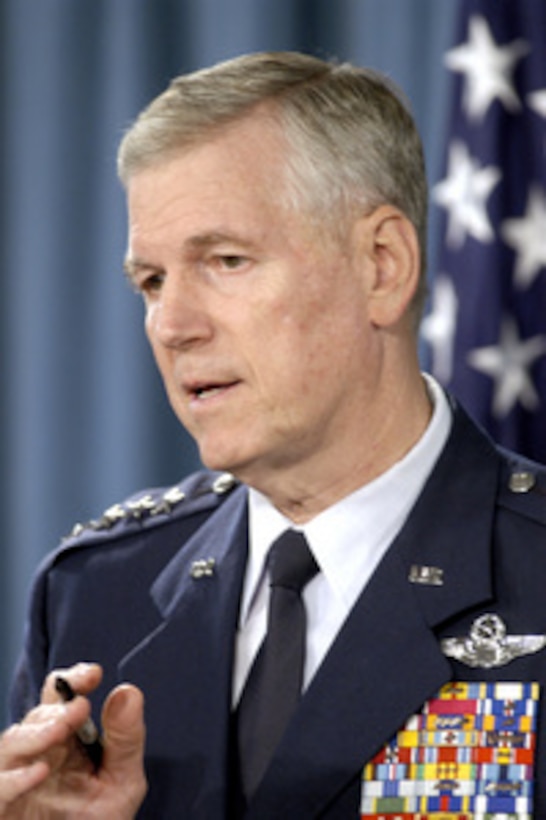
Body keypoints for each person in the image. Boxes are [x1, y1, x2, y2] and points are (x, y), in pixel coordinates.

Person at [2, 50, 546, 819]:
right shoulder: (96, 593)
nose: (171, 325)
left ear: (382, 266)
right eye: (151, 281)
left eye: (225, 260)